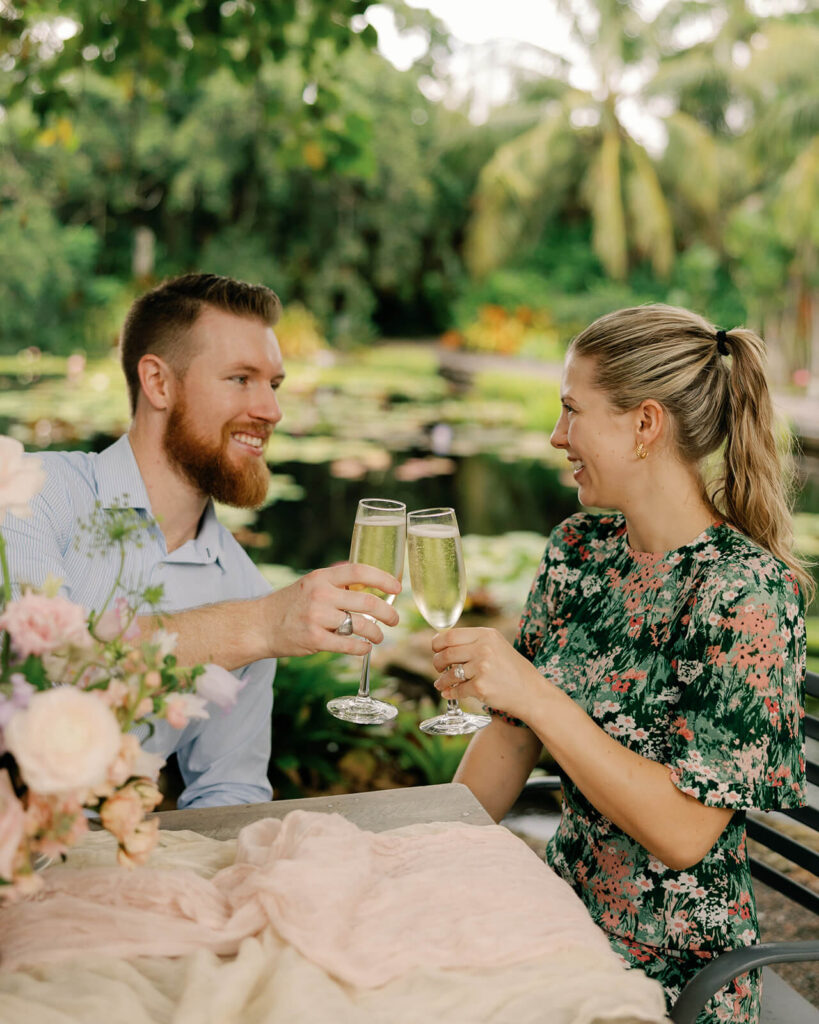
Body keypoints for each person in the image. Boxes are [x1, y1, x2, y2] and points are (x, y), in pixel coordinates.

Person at [429, 305, 810, 1023]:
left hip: (672, 967)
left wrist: (539, 696)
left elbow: (683, 834)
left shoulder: (745, 594)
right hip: (559, 915)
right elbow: (509, 738)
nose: (555, 435)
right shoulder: (581, 548)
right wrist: (432, 851)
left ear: (644, 424)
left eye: (572, 411)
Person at [4, 273, 400, 808]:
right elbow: (36, 674)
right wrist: (258, 624)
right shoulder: (27, 493)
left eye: (274, 384)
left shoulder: (246, 587)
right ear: (158, 383)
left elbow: (228, 786)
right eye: (241, 379)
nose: (270, 410)